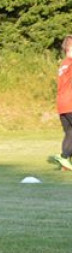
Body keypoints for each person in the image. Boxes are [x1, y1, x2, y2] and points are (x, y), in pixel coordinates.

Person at [51, 35, 72, 171]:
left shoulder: (63, 64)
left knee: (70, 132)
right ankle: (64, 157)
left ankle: (65, 164)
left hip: (61, 104)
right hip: (70, 101)